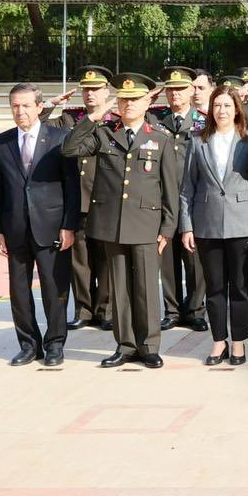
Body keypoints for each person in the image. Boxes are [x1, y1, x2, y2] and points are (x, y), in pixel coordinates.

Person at [61, 74, 179, 369]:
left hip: (146, 223)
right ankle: (125, 345)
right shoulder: (103, 133)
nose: (128, 104)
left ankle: (149, 345)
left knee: (146, 289)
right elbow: (70, 149)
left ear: (147, 101)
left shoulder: (159, 138)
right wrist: (94, 116)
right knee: (120, 289)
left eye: (134, 99)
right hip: (111, 223)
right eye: (123, 99)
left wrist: (168, 227)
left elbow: (170, 188)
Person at [0, 83, 78, 367]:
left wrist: (69, 226)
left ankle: (54, 345)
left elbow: (72, 187)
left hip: (51, 227)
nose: (20, 111)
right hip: (15, 229)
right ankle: (29, 345)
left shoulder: (60, 138)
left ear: (40, 107)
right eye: (15, 105)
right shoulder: (1, 142)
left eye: (26, 105)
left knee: (54, 289)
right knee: (19, 291)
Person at [180, 86, 248, 366]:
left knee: (241, 287)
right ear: (210, 109)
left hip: (242, 223)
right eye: (217, 105)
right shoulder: (197, 142)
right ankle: (219, 341)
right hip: (206, 224)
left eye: (228, 106)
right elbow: (187, 188)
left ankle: (239, 342)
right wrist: (186, 226)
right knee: (215, 288)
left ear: (237, 109)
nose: (222, 111)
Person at [42, 65, 118, 331]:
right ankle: (84, 309)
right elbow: (39, 125)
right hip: (78, 199)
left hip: (107, 199)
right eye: (86, 90)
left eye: (95, 89)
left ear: (107, 91)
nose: (89, 95)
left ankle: (106, 309)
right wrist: (50, 105)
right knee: (80, 259)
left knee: (106, 259)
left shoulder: (117, 119)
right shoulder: (69, 117)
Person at [151, 65, 208, 333]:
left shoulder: (203, 121)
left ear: (191, 91)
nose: (175, 94)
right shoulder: (154, 120)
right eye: (171, 89)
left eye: (181, 89)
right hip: (161, 199)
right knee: (168, 257)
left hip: (194, 199)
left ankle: (196, 309)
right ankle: (172, 310)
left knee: (194, 257)